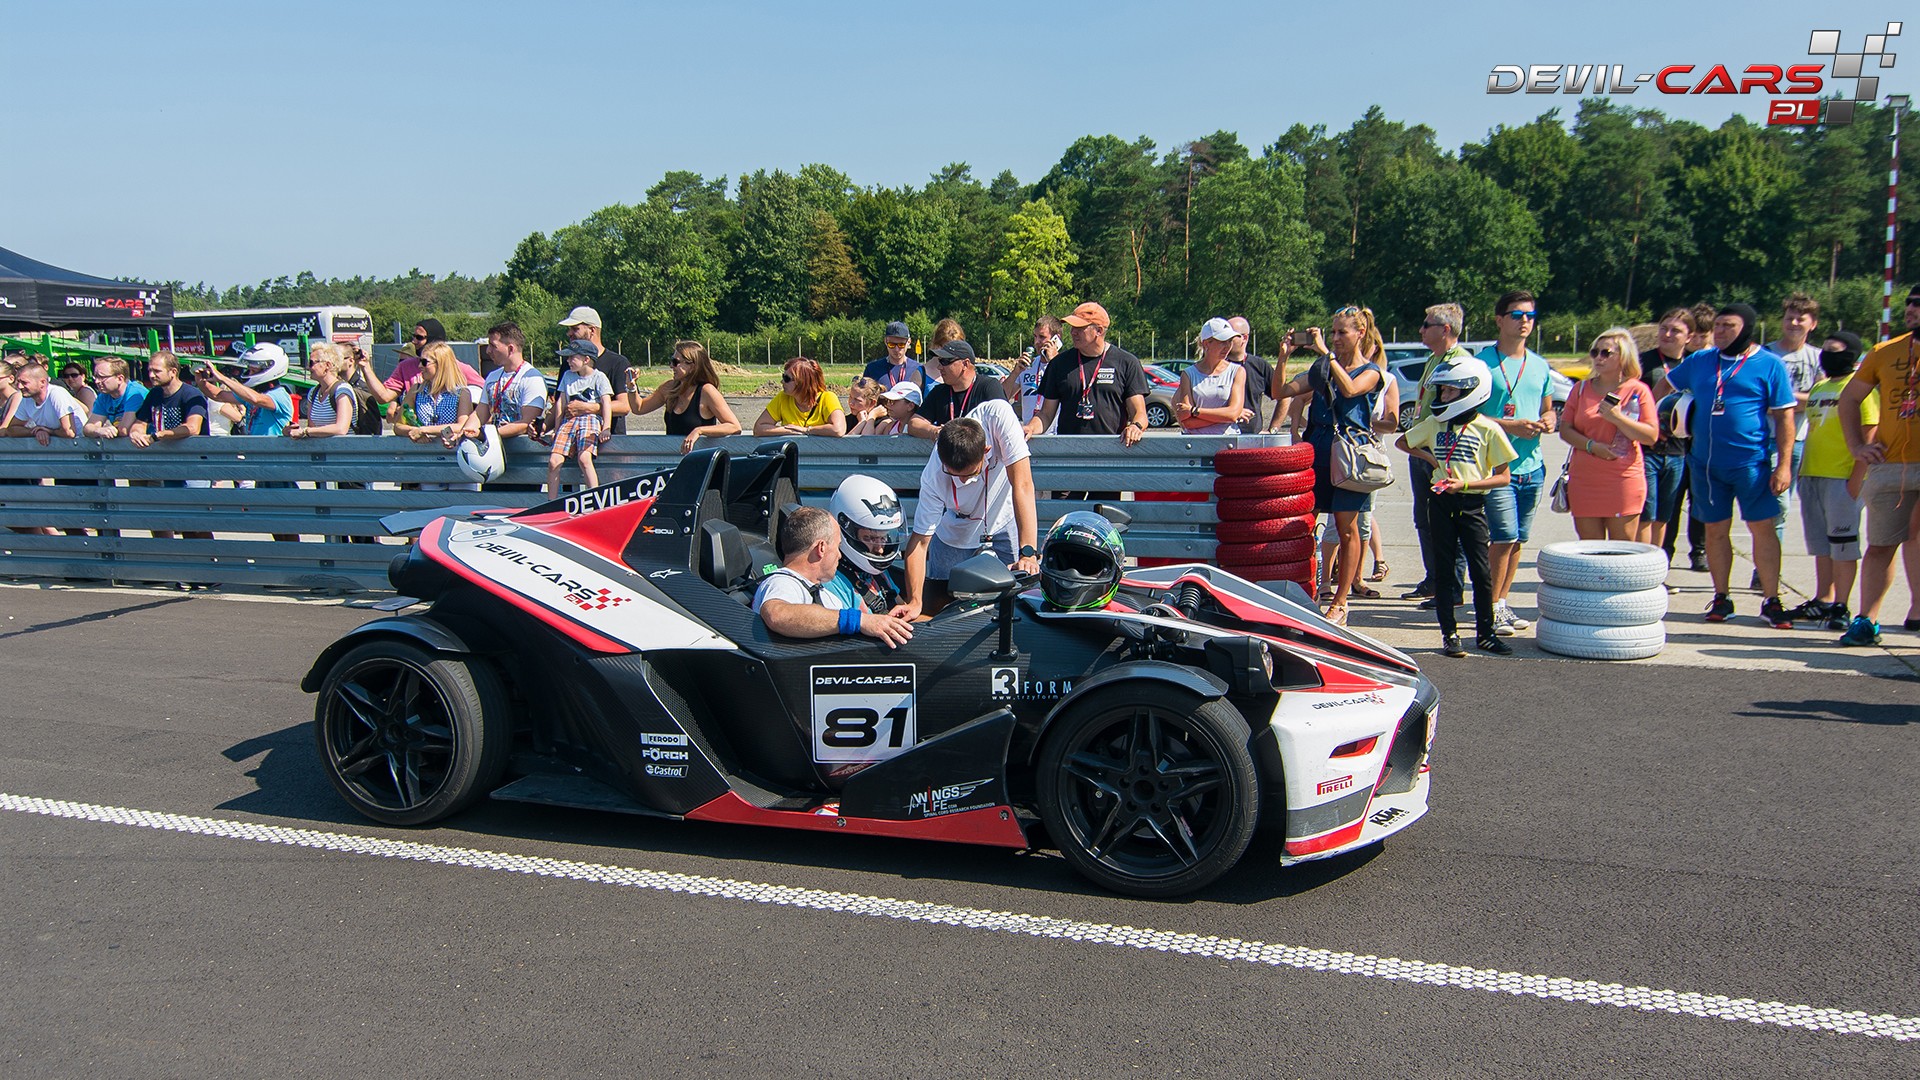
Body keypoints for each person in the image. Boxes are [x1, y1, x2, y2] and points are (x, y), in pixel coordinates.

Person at [1661, 303, 1796, 628]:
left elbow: (1785, 417)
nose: (1720, 331)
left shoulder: (1769, 364)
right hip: (1706, 464)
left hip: (1751, 463)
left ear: (1746, 329)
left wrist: (1783, 466)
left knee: (1762, 529)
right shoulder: (1700, 360)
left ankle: (1771, 599)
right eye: (1718, 325)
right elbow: (1666, 385)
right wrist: (1657, 418)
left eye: (1728, 326)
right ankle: (1721, 596)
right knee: (1715, 530)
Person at [1269, 307, 1384, 625]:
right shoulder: (1323, 367)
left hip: (1348, 454)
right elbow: (1280, 392)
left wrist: (1325, 354)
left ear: (1360, 333)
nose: (1335, 338)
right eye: (1332, 332)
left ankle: (1341, 602)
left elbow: (1350, 389)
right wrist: (1283, 357)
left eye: (1341, 333)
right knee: (1304, 525)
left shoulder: (1371, 371)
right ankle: (1306, 593)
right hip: (1317, 448)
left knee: (1347, 529)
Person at [1396, 356, 1516, 657]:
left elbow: (1503, 477)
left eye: (1450, 391)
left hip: (1471, 504)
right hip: (1440, 502)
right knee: (1445, 571)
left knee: (1481, 571)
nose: (1444, 396)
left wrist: (1465, 485)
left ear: (1471, 391)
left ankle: (1486, 633)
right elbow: (1403, 442)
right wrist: (1430, 458)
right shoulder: (1434, 423)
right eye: (1442, 391)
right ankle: (1449, 634)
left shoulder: (1488, 429)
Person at [891, 401, 1041, 620]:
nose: (962, 481)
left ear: (986, 451)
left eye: (970, 474)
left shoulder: (999, 416)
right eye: (953, 474)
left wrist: (1028, 552)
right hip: (956, 529)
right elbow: (920, 542)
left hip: (1003, 517)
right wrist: (915, 600)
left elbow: (1024, 485)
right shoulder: (934, 475)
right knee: (945, 608)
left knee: (1016, 601)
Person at [1837, 285, 1920, 646]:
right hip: (1889, 464)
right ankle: (1866, 620)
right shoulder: (1884, 351)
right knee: (1881, 544)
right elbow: (1849, 399)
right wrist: (1857, 446)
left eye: (1919, 304)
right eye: (1909, 303)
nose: (1911, 309)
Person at [1474, 290, 1556, 634]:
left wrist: (1549, 420)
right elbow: (1468, 415)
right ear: (1499, 320)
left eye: (1530, 316)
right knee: (1503, 536)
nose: (1525, 321)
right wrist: (1510, 425)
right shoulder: (1482, 363)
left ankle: (1501, 603)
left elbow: (1548, 408)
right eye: (1517, 315)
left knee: (1518, 539)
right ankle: (1490, 607)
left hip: (1532, 466)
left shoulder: (1539, 365)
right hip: (1496, 467)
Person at [1791, 331, 1875, 632]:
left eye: (1835, 350)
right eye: (1825, 349)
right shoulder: (1820, 387)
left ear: (1850, 355)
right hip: (1813, 474)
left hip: (1842, 477)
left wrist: (1857, 479)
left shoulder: (1860, 389)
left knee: (1843, 545)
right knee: (1821, 544)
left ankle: (1841, 603)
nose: (1827, 355)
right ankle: (1823, 598)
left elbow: (1870, 434)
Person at [1398, 303, 1473, 604]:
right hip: (1421, 448)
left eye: (1427, 325)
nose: (1421, 329)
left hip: (1442, 451)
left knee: (1447, 520)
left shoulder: (1459, 363)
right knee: (1425, 518)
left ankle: (1451, 587)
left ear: (1445, 329)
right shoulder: (1433, 359)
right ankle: (1434, 579)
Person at [753, 506, 914, 647]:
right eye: (838, 546)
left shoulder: (826, 595)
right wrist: (860, 621)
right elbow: (777, 614)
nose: (839, 555)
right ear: (821, 548)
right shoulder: (782, 582)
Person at [1559, 328, 1658, 541]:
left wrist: (1617, 418)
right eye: (1595, 352)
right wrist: (1591, 446)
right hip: (1584, 479)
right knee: (1590, 549)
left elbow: (1651, 436)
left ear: (1623, 357)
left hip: (1623, 479)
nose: (1598, 358)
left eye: (1606, 353)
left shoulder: (1637, 390)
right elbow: (1565, 430)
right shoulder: (1580, 389)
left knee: (1621, 549)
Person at [1026, 302, 1147, 445]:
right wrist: (1030, 428)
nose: (1072, 332)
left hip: (1112, 450)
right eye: (1072, 327)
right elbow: (1046, 414)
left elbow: (1139, 413)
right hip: (1068, 450)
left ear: (1099, 331)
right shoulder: (1059, 364)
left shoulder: (1127, 362)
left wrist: (1135, 426)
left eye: (1079, 328)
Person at [128, 352, 213, 545]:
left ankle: (210, 558)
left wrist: (159, 435)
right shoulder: (154, 394)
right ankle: (192, 560)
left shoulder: (191, 394)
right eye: (150, 370)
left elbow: (192, 428)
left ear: (173, 371)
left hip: (194, 466)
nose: (151, 375)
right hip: (170, 466)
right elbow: (140, 422)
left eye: (157, 371)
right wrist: (136, 433)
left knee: (197, 522)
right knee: (181, 521)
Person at [1639, 308, 1695, 557]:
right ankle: (1641, 565)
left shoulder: (1696, 363)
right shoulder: (1643, 361)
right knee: (1646, 512)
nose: (1668, 334)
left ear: (1689, 337)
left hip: (1679, 450)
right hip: (1647, 449)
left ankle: (1657, 564)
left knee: (1664, 514)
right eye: (1664, 328)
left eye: (1676, 331)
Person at [624, 340, 741, 454]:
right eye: (671, 361)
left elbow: (734, 426)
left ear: (692, 366)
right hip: (674, 458)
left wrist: (699, 431)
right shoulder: (669, 388)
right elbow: (639, 408)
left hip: (700, 460)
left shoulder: (707, 391)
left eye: (675, 362)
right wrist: (631, 387)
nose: (671, 366)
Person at [392, 343, 481, 492]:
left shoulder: (462, 392)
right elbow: (398, 426)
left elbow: (461, 426)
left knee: (462, 504)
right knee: (432, 504)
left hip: (457, 461)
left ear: (441, 364)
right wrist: (414, 432)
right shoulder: (416, 391)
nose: (419, 366)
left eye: (424, 362)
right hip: (428, 462)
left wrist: (424, 430)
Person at [357, 320, 482, 414]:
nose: (414, 341)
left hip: (449, 434)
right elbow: (383, 397)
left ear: (434, 340)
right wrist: (365, 366)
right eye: (414, 336)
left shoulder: (459, 368)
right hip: (415, 434)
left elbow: (485, 395)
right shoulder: (405, 367)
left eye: (419, 337)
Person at [541, 339, 613, 498]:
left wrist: (606, 427)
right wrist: (557, 429)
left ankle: (595, 499)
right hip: (569, 421)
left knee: (584, 458)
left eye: (572, 357)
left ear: (586, 359)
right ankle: (551, 502)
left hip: (590, 420)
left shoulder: (599, 377)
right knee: (553, 462)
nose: (568, 361)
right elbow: (561, 403)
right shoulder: (568, 376)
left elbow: (606, 403)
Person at [829, 474, 909, 613]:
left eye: (883, 538)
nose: (880, 550)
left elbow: (902, 609)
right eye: (870, 538)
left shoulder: (878, 574)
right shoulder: (832, 582)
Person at [558, 305, 633, 434]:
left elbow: (624, 406)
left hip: (610, 440)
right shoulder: (568, 364)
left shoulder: (618, 363)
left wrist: (587, 408)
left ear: (592, 330)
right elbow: (560, 404)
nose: (569, 334)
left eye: (575, 329)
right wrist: (542, 427)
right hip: (572, 438)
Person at [911, 339, 1008, 438]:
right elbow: (914, 423)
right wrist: (935, 431)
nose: (939, 367)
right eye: (940, 361)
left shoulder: (989, 387)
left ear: (965, 364)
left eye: (945, 361)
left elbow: (1005, 424)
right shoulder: (939, 392)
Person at [201, 343, 295, 438]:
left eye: (253, 370)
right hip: (253, 446)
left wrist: (223, 378)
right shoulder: (252, 394)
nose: (249, 373)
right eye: (249, 369)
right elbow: (218, 395)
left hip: (273, 447)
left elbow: (256, 399)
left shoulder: (279, 395)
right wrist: (201, 380)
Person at [1174, 318, 1247, 435]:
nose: (1228, 346)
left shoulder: (1237, 371)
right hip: (1195, 442)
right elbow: (1187, 421)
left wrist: (1195, 411)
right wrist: (1224, 417)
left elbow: (1233, 414)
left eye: (1230, 341)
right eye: (1223, 341)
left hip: (1227, 441)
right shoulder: (1188, 374)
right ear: (1206, 343)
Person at [754, 357, 846, 437]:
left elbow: (838, 429)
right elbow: (758, 428)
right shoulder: (783, 397)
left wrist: (806, 430)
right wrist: (789, 430)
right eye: (783, 376)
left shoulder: (827, 398)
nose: (782, 381)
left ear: (802, 382)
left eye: (787, 378)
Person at [4, 362, 90, 444]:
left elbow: (70, 432)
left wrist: (49, 431)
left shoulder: (57, 394)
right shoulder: (27, 398)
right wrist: (36, 431)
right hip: (59, 448)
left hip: (81, 447)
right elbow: (12, 429)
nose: (19, 386)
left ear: (42, 382)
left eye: (24, 383)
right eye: (18, 382)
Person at [286, 342, 358, 439]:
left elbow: (341, 429)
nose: (308, 367)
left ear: (327, 365)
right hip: (323, 448)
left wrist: (305, 431)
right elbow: (312, 429)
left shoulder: (342, 390)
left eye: (311, 363)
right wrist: (292, 431)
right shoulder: (313, 393)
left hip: (344, 448)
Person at [1003, 315, 1061, 428]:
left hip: (1055, 433)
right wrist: (1015, 373)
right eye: (1035, 336)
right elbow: (1002, 397)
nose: (1037, 342)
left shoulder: (1064, 365)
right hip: (1030, 431)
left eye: (1042, 337)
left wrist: (1053, 362)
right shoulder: (1029, 365)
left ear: (1056, 339)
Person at [1226, 315, 1274, 431]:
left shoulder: (1260, 366)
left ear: (1244, 338)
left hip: (1252, 436)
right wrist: (1234, 411)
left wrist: (1274, 428)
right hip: (1221, 434)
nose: (1225, 340)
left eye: (1230, 336)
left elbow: (1283, 396)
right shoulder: (1216, 365)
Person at [82, 357, 146, 439]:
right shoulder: (104, 396)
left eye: (102, 377)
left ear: (120, 379)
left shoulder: (135, 393)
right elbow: (87, 428)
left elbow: (124, 430)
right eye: (96, 377)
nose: (97, 381)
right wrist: (98, 430)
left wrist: (108, 430)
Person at [861, 321, 923, 391]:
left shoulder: (918, 369)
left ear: (909, 342)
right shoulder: (872, 369)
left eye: (901, 345)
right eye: (891, 345)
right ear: (885, 341)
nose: (896, 349)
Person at [851, 381, 919, 436]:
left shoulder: (920, 428)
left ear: (910, 406)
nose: (888, 405)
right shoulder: (890, 427)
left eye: (893, 401)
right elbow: (868, 441)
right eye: (888, 401)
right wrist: (871, 416)